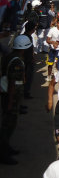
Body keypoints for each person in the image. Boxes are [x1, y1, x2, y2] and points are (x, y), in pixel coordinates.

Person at [0, 35, 30, 165]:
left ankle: (6, 148)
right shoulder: (17, 61)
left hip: (10, 96)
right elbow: (13, 82)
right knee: (8, 125)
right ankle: (3, 154)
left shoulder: (11, 56)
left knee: (9, 124)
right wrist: (11, 102)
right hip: (10, 96)